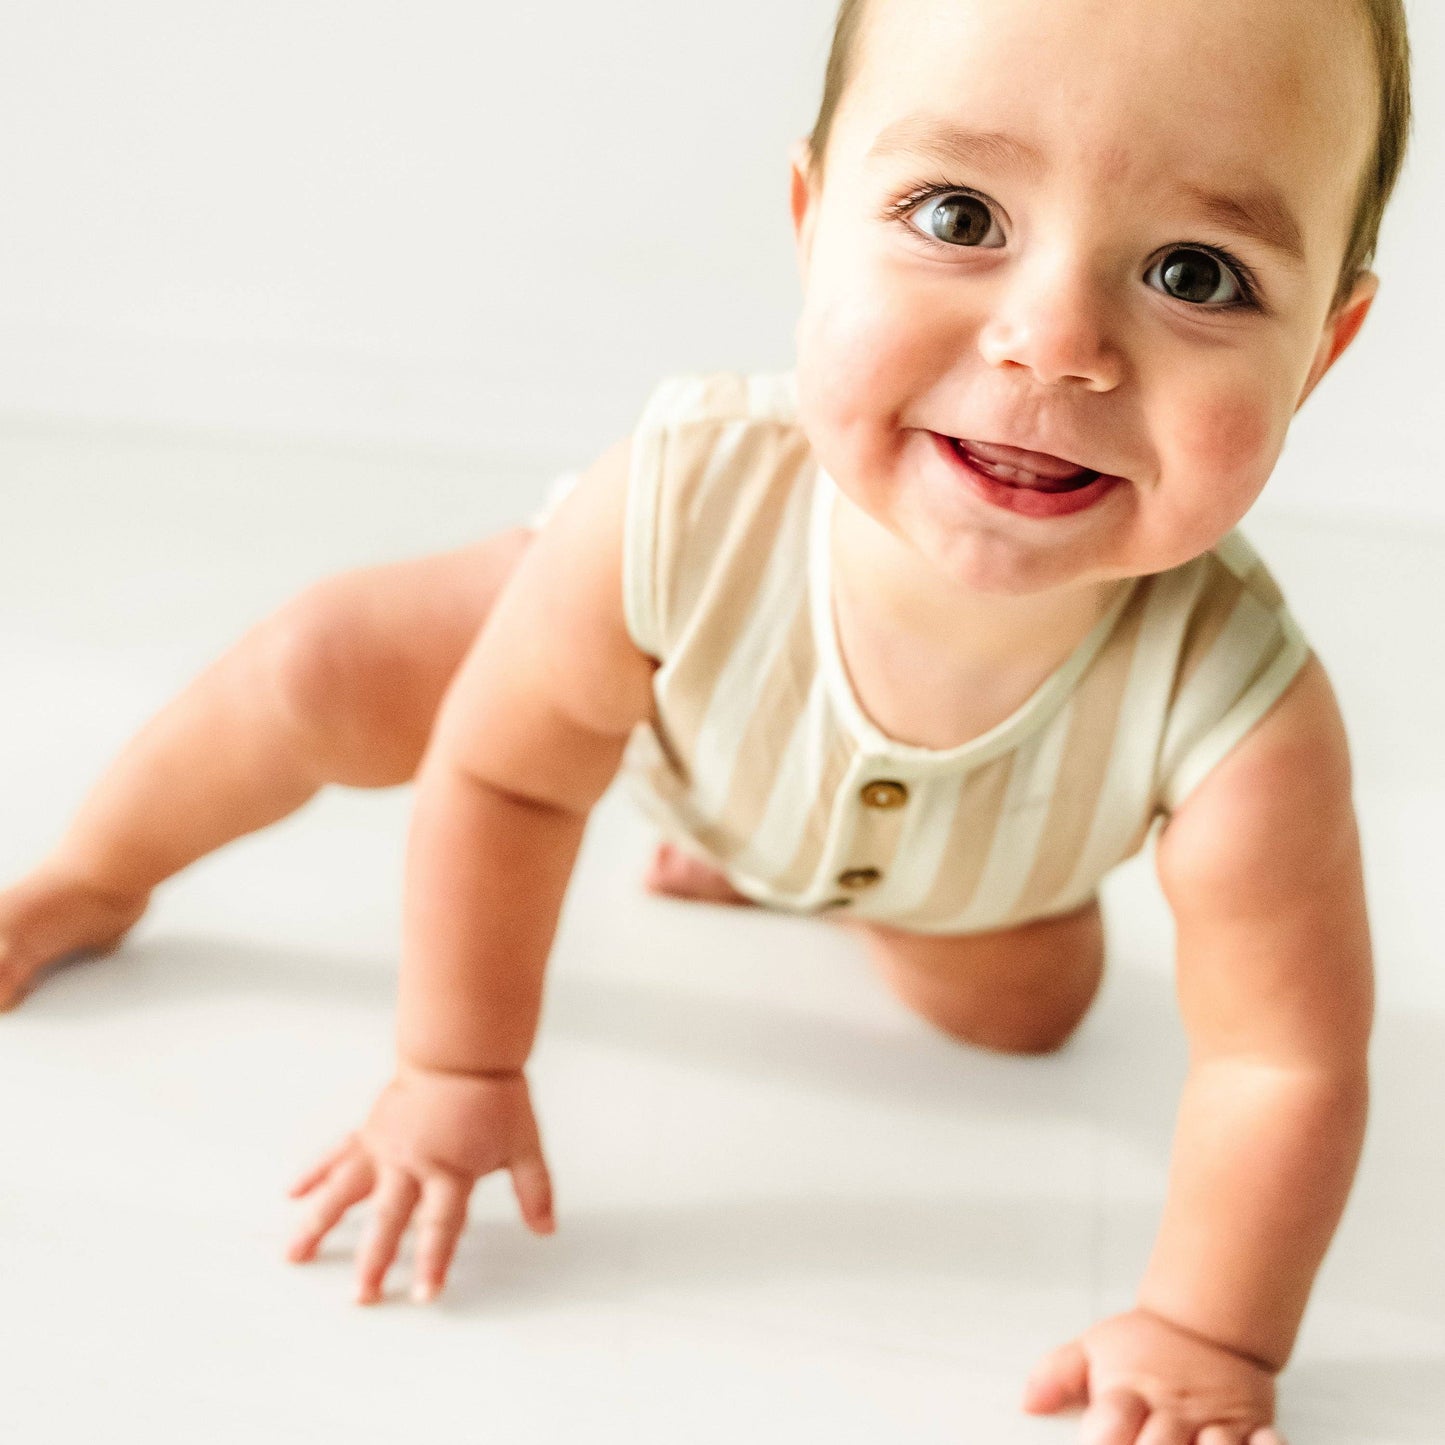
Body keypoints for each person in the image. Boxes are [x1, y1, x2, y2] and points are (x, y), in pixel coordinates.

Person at [0, 0, 1414, 1438]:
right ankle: (93, 871)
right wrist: (458, 1060)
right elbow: (505, 779)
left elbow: (1276, 1057)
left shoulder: (1244, 711)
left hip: (972, 855)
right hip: (642, 691)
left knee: (1027, 1015)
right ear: (811, 220)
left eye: (1196, 271)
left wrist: (1203, 1329)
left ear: (1321, 345)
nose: (1053, 342)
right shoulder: (678, 502)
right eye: (957, 211)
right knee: (322, 666)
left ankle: (781, 869)